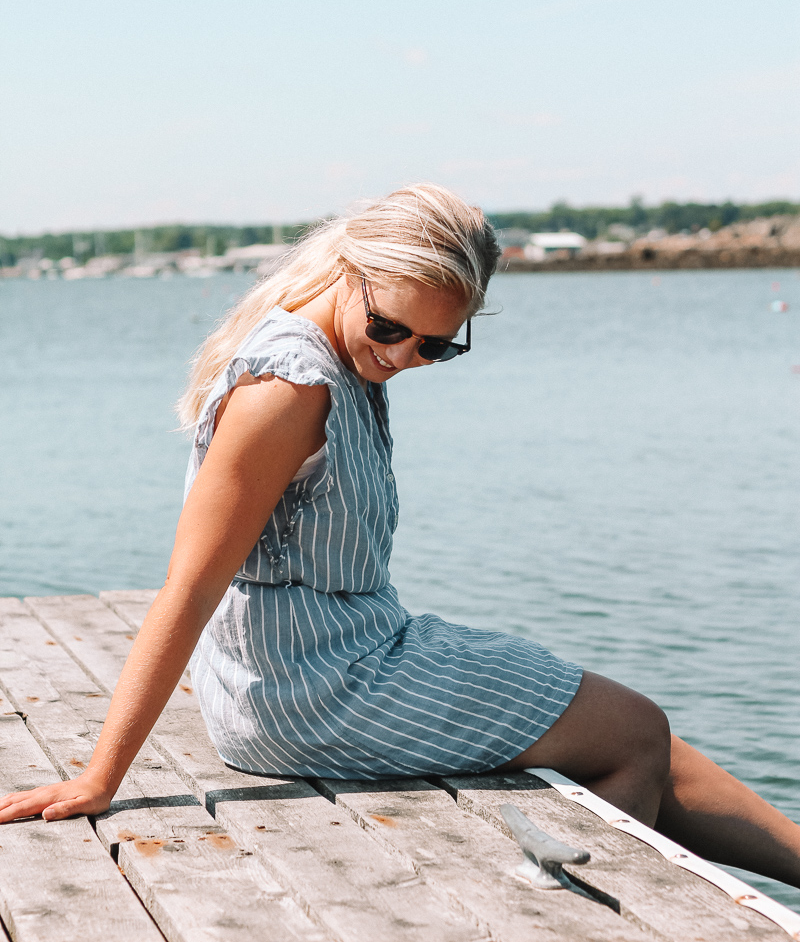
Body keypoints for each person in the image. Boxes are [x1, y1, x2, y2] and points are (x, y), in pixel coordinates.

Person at [1, 183, 799, 890]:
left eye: (436, 345)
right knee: (630, 734)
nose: (401, 356)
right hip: (311, 688)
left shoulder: (338, 355)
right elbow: (191, 585)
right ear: (348, 272)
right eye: (388, 326)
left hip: (343, 651)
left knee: (651, 737)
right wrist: (101, 776)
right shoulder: (289, 390)